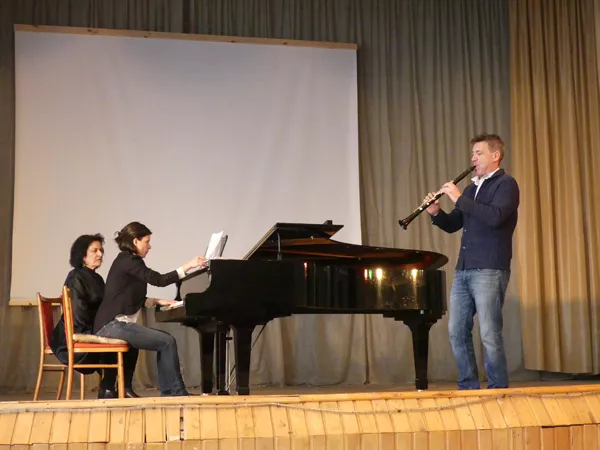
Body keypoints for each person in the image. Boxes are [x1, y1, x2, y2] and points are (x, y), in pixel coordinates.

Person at [423, 133, 519, 390]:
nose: (473, 158)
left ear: (495, 155)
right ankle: (468, 386)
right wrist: (436, 213)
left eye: (479, 153)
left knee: (489, 333)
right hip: (464, 269)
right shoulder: (470, 188)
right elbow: (454, 224)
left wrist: (458, 198)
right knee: (456, 330)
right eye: (473, 154)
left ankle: (498, 389)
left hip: (490, 268)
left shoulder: (506, 184)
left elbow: (495, 217)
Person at [93, 221, 206, 397]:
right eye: (147, 241)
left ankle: (170, 392)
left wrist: (156, 301)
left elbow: (128, 295)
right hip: (111, 326)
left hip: (113, 325)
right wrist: (189, 265)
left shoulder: (125, 260)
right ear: (135, 241)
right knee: (167, 341)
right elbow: (159, 280)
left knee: (165, 342)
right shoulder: (129, 260)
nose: (150, 246)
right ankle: (175, 393)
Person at [49, 234, 114, 384]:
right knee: (118, 337)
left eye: (101, 250)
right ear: (82, 255)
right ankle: (109, 387)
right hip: (74, 334)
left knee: (127, 338)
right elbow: (78, 313)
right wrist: (100, 330)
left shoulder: (98, 279)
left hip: (93, 329)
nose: (100, 254)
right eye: (95, 251)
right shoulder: (75, 277)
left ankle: (114, 387)